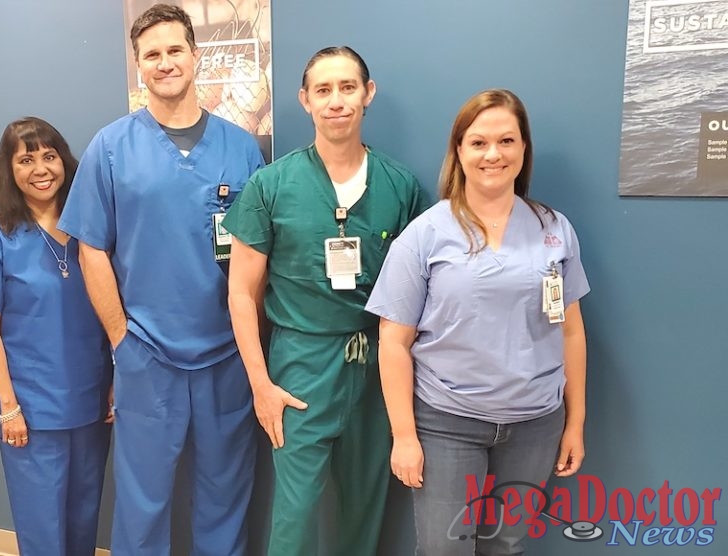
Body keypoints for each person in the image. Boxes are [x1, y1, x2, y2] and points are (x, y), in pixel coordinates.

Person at [57, 4, 264, 555]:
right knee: (142, 499)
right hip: (147, 352)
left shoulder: (241, 147)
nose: (165, 62)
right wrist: (122, 338)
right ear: (139, 65)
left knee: (225, 492)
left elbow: (262, 250)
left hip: (228, 352)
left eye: (175, 50)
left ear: (196, 56)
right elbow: (90, 249)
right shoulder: (111, 147)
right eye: (153, 54)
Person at [222, 46, 429, 556]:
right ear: (304, 100)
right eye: (323, 90)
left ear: (367, 94)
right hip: (300, 365)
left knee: (365, 506)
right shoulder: (271, 185)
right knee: (294, 514)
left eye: (347, 87)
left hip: (377, 364)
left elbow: (423, 292)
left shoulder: (400, 186)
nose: (336, 101)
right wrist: (261, 385)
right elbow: (241, 292)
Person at [366, 89, 589, 555]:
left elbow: (570, 329)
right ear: (459, 151)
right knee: (445, 550)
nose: (493, 154)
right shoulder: (425, 235)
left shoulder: (554, 229)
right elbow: (392, 341)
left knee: (506, 547)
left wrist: (575, 421)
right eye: (479, 142)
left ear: (524, 149)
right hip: (447, 424)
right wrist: (404, 435)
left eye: (507, 141)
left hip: (536, 423)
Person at [0, 117, 112, 556]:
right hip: (29, 407)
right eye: (26, 159)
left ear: (65, 161)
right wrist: (8, 408)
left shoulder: (92, 233)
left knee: (84, 516)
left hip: (92, 399)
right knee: (42, 524)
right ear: (11, 170)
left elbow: (111, 315)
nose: (41, 168)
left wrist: (118, 381)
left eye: (49, 156)